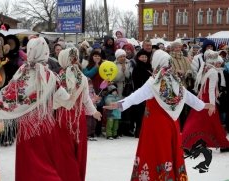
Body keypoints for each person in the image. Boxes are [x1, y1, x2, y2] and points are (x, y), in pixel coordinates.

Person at [104, 50, 214, 180]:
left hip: (155, 125)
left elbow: (137, 96)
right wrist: (203, 105)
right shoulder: (175, 80)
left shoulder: (154, 82)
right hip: (171, 125)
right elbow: (188, 97)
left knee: (154, 151)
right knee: (168, 150)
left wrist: (120, 104)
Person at [0, 37, 71, 181]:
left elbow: (8, 94)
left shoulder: (23, 71)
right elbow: (65, 98)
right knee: (47, 164)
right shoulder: (51, 76)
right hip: (47, 126)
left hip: (27, 128)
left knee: (28, 164)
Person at [52, 47, 102, 181]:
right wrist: (94, 112)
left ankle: (66, 176)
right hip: (79, 119)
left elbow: (53, 101)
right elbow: (86, 100)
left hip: (62, 117)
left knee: (64, 152)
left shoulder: (57, 77)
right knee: (78, 151)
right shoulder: (83, 77)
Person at [182, 49, 229, 152]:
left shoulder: (204, 68)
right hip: (208, 99)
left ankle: (188, 141)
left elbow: (200, 86)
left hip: (201, 98)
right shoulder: (213, 72)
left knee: (197, 121)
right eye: (218, 62)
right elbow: (211, 89)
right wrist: (212, 105)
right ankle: (222, 144)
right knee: (210, 122)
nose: (219, 64)